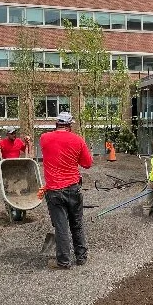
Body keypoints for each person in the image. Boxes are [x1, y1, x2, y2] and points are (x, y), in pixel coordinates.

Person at [39, 111, 92, 270]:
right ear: (70, 125)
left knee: (61, 227)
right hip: (73, 188)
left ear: (56, 124)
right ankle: (81, 257)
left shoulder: (44, 138)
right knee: (76, 223)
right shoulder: (78, 140)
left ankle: (64, 261)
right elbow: (87, 164)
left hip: (54, 190)